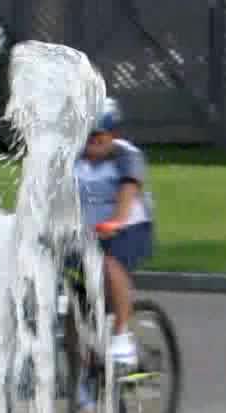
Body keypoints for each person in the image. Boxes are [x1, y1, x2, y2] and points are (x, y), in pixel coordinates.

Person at [76, 96, 154, 372]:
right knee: (70, 290)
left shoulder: (126, 155)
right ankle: (78, 365)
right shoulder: (71, 158)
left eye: (99, 136)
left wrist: (116, 222)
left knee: (111, 264)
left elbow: (128, 191)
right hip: (86, 231)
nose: (93, 143)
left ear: (114, 135)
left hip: (130, 227)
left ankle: (122, 337)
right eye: (87, 137)